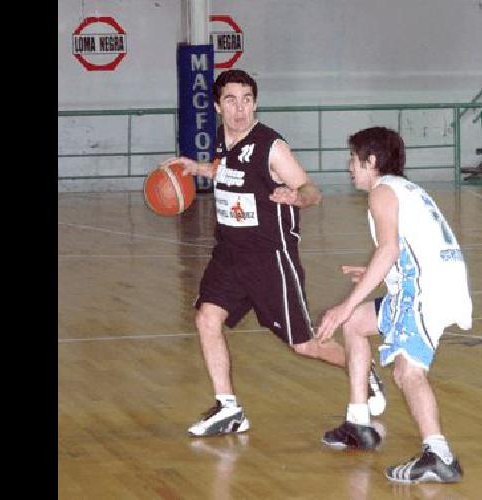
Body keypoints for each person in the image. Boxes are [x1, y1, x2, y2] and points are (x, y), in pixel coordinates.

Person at [161, 69, 387, 437]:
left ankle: (362, 370)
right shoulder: (224, 139)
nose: (240, 108)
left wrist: (296, 197)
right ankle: (228, 408)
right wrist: (200, 168)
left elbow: (312, 190)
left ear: (255, 103)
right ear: (218, 106)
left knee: (305, 344)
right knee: (206, 319)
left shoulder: (271, 146)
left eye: (247, 99)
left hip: (270, 260)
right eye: (231, 100)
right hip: (229, 254)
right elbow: (228, 169)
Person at [314, 127, 472, 484]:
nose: (349, 166)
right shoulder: (405, 189)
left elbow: (389, 250)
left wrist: (343, 303)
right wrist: (374, 274)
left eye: (353, 159)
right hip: (432, 282)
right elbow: (406, 250)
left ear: (371, 162)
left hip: (425, 289)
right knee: (355, 323)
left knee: (407, 371)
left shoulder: (382, 193)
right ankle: (359, 422)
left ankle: (439, 454)